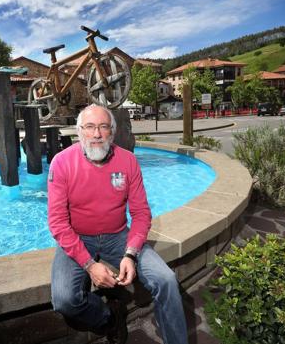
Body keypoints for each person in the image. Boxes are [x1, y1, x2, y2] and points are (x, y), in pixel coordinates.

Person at [48, 104, 188, 344]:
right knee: (64, 301)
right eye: (90, 127)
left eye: (103, 127)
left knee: (165, 279)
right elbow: (58, 222)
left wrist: (131, 254)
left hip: (118, 235)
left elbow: (141, 213)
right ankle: (110, 318)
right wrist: (90, 265)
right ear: (79, 131)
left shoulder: (128, 161)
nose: (96, 134)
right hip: (77, 236)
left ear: (112, 132)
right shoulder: (61, 163)